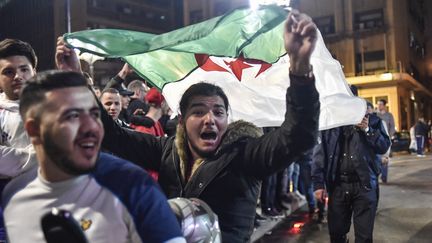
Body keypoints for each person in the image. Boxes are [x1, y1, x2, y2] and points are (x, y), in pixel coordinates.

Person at [56, 10, 320, 242]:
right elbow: (111, 135)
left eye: (218, 112)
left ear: (227, 119)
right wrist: (76, 79)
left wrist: (300, 69)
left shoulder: (245, 155)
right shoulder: (165, 150)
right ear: (181, 119)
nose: (210, 119)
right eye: (199, 111)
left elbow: (298, 136)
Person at [2, 70, 185, 243]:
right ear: (34, 130)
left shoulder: (133, 186)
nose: (91, 127)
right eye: (72, 116)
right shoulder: (14, 196)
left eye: (94, 114)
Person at [312, 87, 391, 243]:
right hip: (338, 186)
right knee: (336, 234)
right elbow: (320, 153)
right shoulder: (330, 123)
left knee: (364, 237)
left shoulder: (373, 121)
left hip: (365, 186)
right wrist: (318, 183)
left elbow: (383, 146)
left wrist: (367, 129)